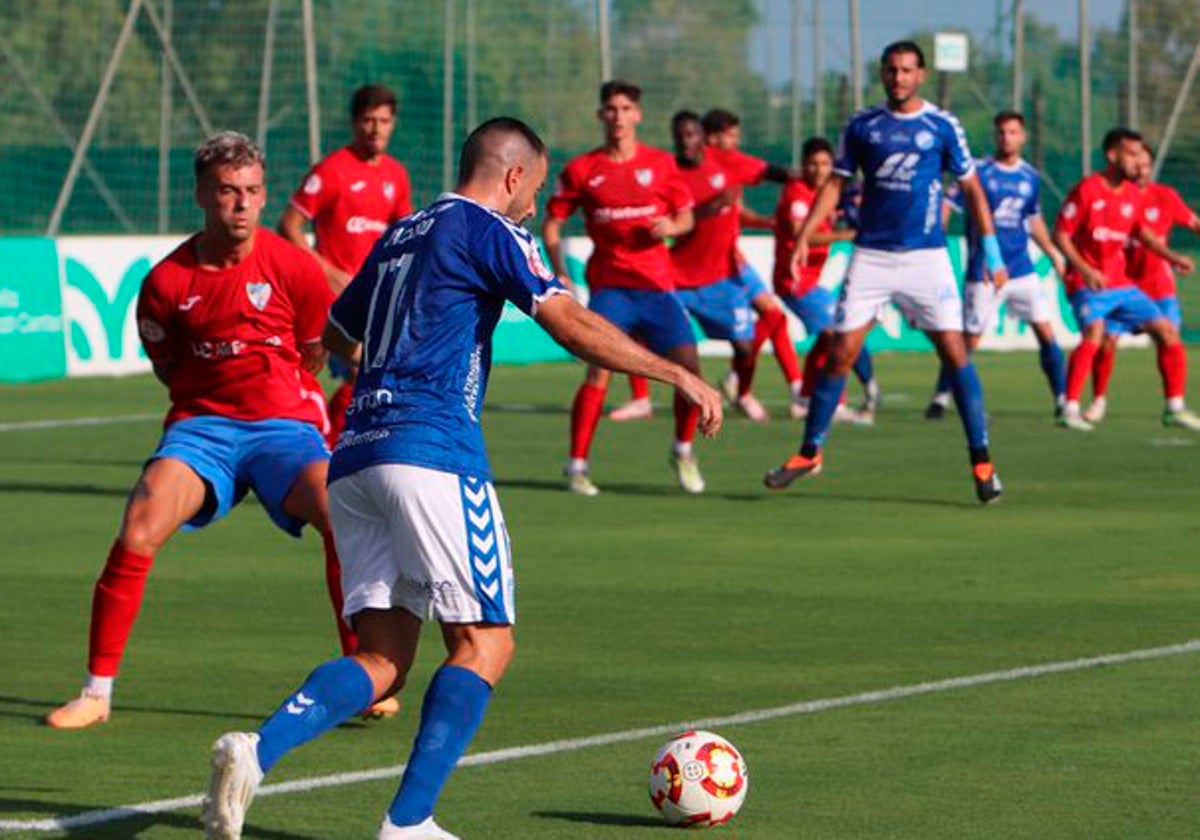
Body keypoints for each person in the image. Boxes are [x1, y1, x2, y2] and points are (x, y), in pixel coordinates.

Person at [201, 117, 723, 840]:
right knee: (485, 643)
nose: (534, 207)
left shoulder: (401, 232)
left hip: (355, 456)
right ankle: (409, 822)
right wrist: (676, 374)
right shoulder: (490, 229)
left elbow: (338, 334)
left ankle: (258, 751)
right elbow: (569, 324)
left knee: (382, 656)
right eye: (533, 190)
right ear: (511, 176)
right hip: (432, 451)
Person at [45, 132, 362, 730]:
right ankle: (96, 691)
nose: (241, 204)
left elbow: (314, 355)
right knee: (140, 523)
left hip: (284, 428)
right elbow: (169, 369)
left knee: (339, 511)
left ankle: (361, 672)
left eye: (252, 192)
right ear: (200, 194)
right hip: (202, 428)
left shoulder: (295, 267)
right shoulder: (166, 283)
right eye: (226, 191)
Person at [763, 40, 1006, 504]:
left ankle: (982, 461)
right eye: (892, 70)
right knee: (840, 353)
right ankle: (809, 452)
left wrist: (992, 252)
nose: (899, 78)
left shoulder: (942, 125)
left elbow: (972, 190)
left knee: (955, 354)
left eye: (908, 70)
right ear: (882, 73)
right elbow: (835, 184)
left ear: (922, 75)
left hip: (927, 258)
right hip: (871, 255)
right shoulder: (862, 126)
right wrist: (802, 237)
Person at [543, 80, 706, 495]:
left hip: (656, 285)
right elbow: (553, 224)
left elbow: (686, 217)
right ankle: (576, 465)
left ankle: (683, 450)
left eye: (626, 108)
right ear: (602, 115)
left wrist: (673, 225)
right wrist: (559, 270)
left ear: (638, 115)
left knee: (690, 368)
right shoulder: (583, 169)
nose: (618, 116)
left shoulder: (661, 164)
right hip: (611, 288)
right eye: (611, 108)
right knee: (599, 369)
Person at [278, 84, 414, 450]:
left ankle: (334, 454)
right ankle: (321, 456)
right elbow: (289, 223)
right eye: (368, 120)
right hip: (332, 298)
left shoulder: (396, 176)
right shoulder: (332, 170)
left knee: (366, 379)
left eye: (384, 121)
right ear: (355, 123)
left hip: (375, 299)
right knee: (350, 373)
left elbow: (404, 234)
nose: (376, 129)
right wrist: (324, 269)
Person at [1052, 127, 1200, 431]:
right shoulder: (1088, 189)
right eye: (1131, 154)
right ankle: (1070, 407)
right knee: (1095, 334)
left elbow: (1142, 233)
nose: (1138, 162)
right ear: (1112, 155)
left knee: (1168, 333)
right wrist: (1084, 269)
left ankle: (1174, 407)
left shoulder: (1132, 193)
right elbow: (1061, 235)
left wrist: (1173, 258)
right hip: (1087, 283)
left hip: (1121, 284)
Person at [924, 110, 1068, 421]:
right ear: (995, 136)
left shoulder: (1030, 176)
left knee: (1046, 332)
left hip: (1022, 270)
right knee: (968, 341)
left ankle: (1062, 399)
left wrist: (1054, 254)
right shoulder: (978, 172)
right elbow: (947, 206)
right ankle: (941, 396)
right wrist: (935, 240)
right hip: (985, 271)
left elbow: (1033, 221)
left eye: (1013, 132)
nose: (1007, 138)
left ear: (1023, 136)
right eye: (1002, 132)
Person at [702, 108, 807, 420]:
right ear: (712, 137)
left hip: (733, 259)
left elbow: (737, 210)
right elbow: (779, 173)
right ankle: (741, 385)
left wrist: (765, 221)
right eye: (730, 136)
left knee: (774, 316)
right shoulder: (707, 163)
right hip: (704, 266)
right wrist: (819, 175)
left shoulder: (729, 164)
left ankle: (786, 388)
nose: (735, 142)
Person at [775, 137, 878, 422]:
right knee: (839, 334)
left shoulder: (830, 192)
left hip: (811, 280)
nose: (818, 170)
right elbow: (801, 234)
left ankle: (806, 398)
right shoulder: (797, 192)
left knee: (827, 338)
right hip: (794, 280)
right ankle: (836, 403)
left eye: (824, 164)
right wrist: (847, 234)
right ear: (804, 165)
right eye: (812, 164)